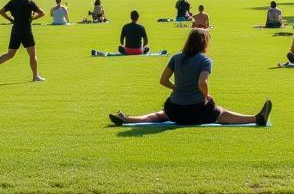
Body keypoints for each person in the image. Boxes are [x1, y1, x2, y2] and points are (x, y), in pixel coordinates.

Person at [109, 28, 271, 126]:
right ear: (204, 43)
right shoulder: (205, 60)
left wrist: (177, 88)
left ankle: (127, 119)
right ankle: (256, 118)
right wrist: (206, 96)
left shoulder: (176, 57)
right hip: (196, 111)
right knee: (220, 112)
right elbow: (202, 82)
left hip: (175, 110)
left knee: (159, 115)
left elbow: (163, 81)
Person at [0, 0, 45, 82]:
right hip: (26, 31)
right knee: (32, 55)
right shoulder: (30, 3)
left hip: (16, 29)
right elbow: (42, 13)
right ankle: (35, 76)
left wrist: (10, 19)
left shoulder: (12, 2)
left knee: (10, 54)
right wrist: (32, 18)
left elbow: (1, 11)